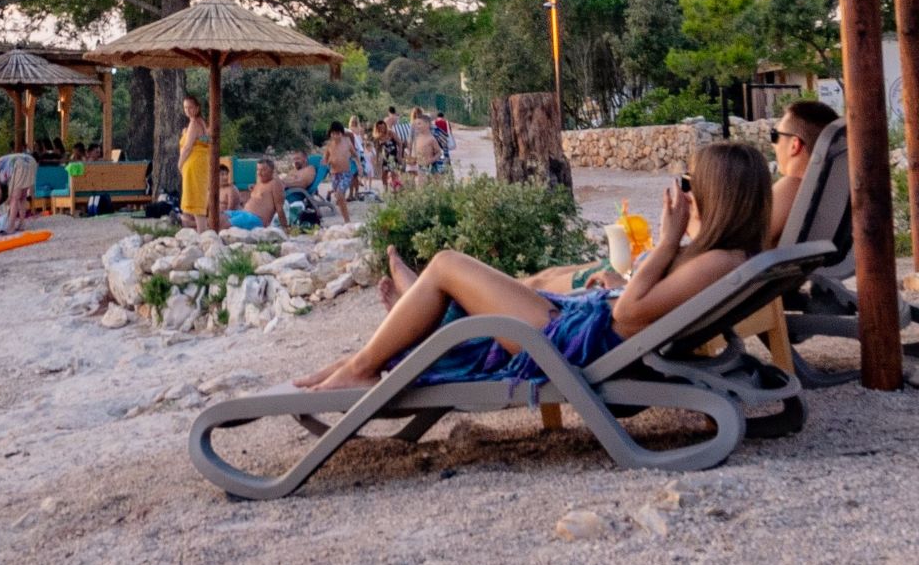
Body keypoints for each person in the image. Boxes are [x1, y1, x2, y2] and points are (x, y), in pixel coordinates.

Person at [308, 141, 769, 393]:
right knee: (480, 284)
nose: (682, 191)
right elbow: (640, 305)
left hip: (575, 344)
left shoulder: (716, 261)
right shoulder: (724, 256)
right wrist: (620, 280)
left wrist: (668, 241)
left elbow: (630, 315)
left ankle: (369, 360)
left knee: (448, 263)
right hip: (586, 327)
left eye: (689, 183)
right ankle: (368, 354)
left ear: (717, 196)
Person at [769, 98, 838, 246]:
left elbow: (741, 242)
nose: (773, 145)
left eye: (775, 136)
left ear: (795, 145)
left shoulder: (792, 187)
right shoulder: (834, 193)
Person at [178, 94, 213, 228]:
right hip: (200, 163)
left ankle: (201, 232)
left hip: (193, 163)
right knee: (197, 198)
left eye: (190, 107)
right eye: (185, 108)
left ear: (197, 108)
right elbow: (205, 140)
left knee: (196, 200)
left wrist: (180, 163)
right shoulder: (202, 123)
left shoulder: (194, 123)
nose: (188, 110)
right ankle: (198, 230)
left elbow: (187, 147)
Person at [0, 151, 38, 230]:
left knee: (14, 198)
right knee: (22, 197)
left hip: (19, 164)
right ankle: (21, 224)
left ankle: (11, 226)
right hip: (31, 161)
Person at [320, 121, 355, 223]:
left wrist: (359, 165)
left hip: (346, 173)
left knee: (339, 194)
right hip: (335, 174)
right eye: (333, 134)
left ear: (342, 133)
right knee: (339, 198)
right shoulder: (329, 146)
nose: (335, 136)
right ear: (330, 134)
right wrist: (326, 162)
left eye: (338, 133)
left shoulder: (347, 141)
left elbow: (355, 154)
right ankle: (346, 219)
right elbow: (325, 160)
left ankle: (347, 221)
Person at [241, 157, 289, 231]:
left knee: (222, 221)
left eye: (263, 170)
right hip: (244, 214)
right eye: (258, 170)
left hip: (254, 219)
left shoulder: (275, 183)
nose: (259, 173)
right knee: (222, 215)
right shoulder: (260, 179)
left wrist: (285, 228)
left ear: (272, 171)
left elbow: (279, 208)